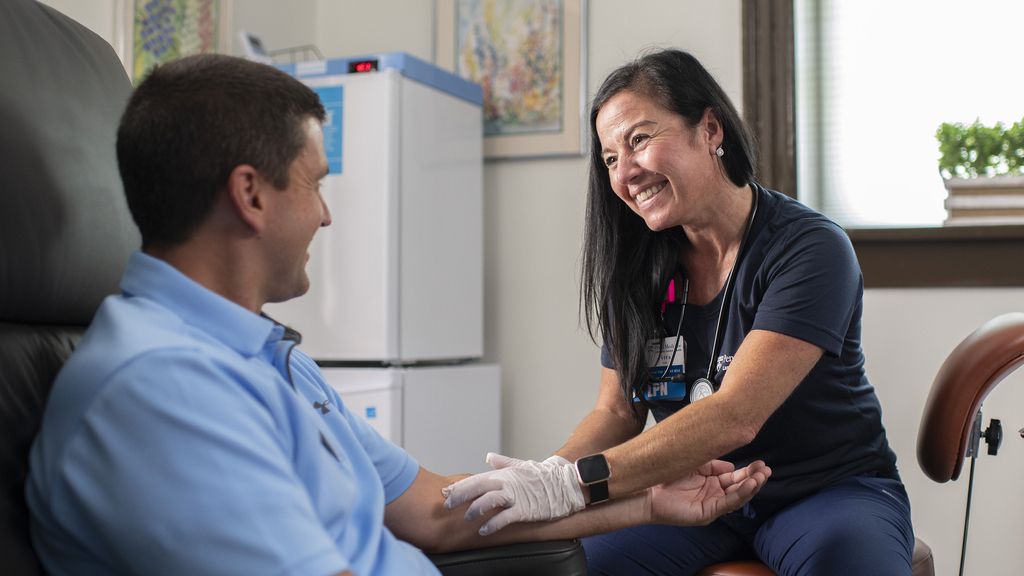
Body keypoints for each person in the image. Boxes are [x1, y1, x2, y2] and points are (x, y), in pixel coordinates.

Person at [24, 53, 770, 576]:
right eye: (314, 185)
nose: (324, 217)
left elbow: (437, 513)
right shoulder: (157, 395)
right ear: (250, 196)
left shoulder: (270, 359)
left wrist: (645, 507)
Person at [443, 49, 915, 575]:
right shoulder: (640, 271)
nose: (626, 172)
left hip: (827, 492)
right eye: (609, 158)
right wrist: (552, 472)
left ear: (710, 129)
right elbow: (617, 413)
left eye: (638, 140)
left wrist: (573, 485)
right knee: (574, 565)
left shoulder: (809, 249)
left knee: (842, 560)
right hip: (693, 495)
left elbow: (736, 414)